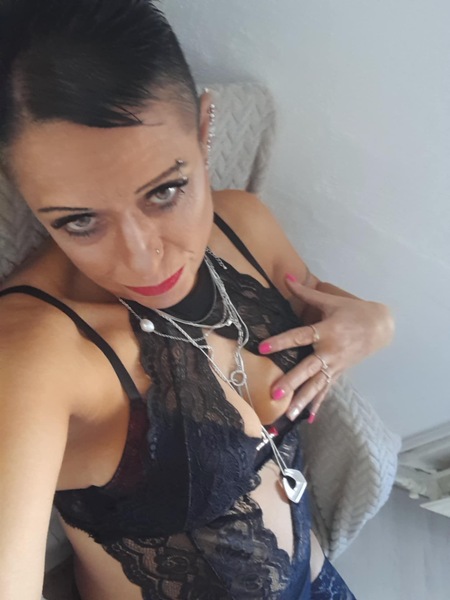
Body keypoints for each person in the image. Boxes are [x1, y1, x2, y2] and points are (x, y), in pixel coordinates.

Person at [0, 1, 394, 599]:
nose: (143, 260)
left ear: (206, 129)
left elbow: (323, 306)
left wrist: (376, 323)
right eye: (79, 221)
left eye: (166, 190)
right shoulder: (33, 353)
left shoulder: (244, 224)